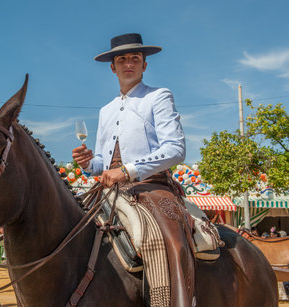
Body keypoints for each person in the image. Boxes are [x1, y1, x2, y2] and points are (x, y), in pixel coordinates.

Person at [72, 33, 194, 307]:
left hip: (151, 187)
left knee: (160, 240)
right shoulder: (106, 110)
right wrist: (89, 164)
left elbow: (175, 148)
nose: (129, 63)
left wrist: (128, 171)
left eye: (135, 59)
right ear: (112, 67)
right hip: (108, 189)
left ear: (144, 65)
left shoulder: (158, 97)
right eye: (122, 59)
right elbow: (103, 163)